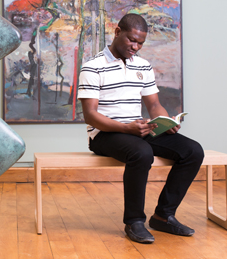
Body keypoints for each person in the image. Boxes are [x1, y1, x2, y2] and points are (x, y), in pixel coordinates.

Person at [78, 13, 204, 244]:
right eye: (131, 40)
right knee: (142, 152)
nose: (135, 47)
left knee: (193, 150)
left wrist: (167, 122)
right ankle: (134, 221)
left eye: (140, 43)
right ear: (117, 33)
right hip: (104, 134)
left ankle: (164, 216)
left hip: (137, 130)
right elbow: (91, 115)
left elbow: (154, 105)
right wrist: (126, 129)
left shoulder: (143, 66)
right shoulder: (93, 66)